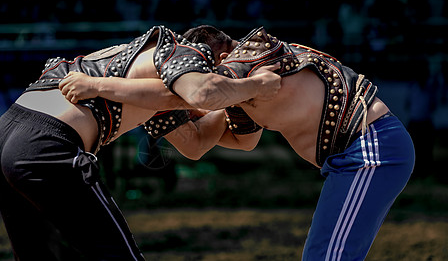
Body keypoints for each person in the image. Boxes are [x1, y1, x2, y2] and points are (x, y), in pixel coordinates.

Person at [64, 25, 415, 261]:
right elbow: (224, 142)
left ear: (212, 59)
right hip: (359, 153)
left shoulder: (249, 61)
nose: (187, 74)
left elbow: (194, 92)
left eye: (192, 67)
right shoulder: (246, 89)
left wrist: (98, 87)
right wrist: (186, 113)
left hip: (369, 148)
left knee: (327, 256)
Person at [0, 25, 281, 261]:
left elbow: (198, 143)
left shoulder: (149, 87)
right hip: (44, 142)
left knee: (40, 257)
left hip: (6, 136)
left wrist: (236, 96)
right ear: (220, 59)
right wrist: (251, 84)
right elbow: (203, 94)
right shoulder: (186, 52)